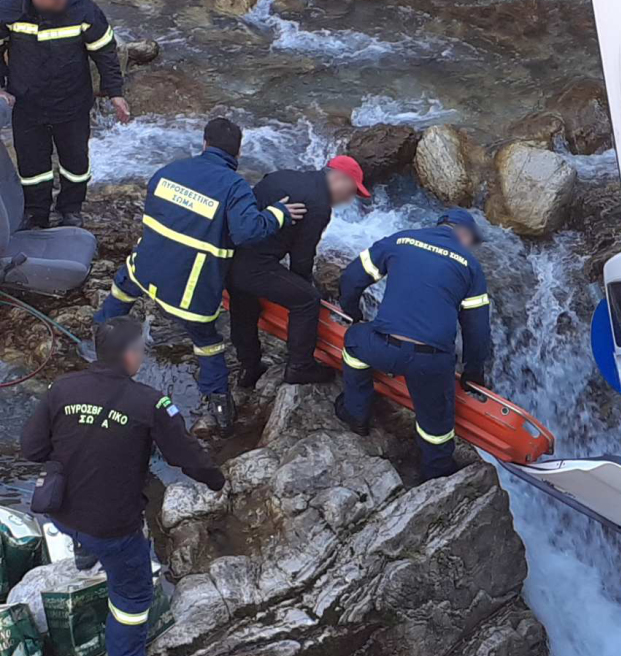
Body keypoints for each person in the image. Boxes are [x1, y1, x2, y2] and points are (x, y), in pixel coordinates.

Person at [20, 316, 225, 656]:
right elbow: (185, 455)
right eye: (141, 350)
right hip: (112, 527)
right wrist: (216, 480)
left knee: (86, 524)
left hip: (60, 512)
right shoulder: (150, 403)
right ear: (129, 355)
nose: (143, 356)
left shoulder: (63, 388)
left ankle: (85, 555)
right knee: (132, 597)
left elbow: (33, 449)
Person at [93, 118, 306, 434]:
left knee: (121, 291)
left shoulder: (168, 171)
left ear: (204, 143)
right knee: (207, 342)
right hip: (187, 289)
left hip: (145, 266)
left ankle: (98, 341)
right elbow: (248, 232)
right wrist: (278, 214)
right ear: (238, 153)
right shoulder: (234, 187)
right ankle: (219, 403)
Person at [334, 209, 492, 481]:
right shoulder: (469, 266)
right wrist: (473, 372)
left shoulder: (401, 240)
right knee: (437, 422)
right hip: (429, 362)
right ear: (463, 233)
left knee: (354, 343)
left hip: (382, 347)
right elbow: (477, 329)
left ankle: (356, 413)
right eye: (472, 241)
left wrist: (353, 314)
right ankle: (436, 471)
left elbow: (351, 277)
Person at [228, 155, 371, 389]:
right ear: (338, 177)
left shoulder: (284, 175)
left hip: (229, 255)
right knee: (306, 300)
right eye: (352, 191)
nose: (349, 199)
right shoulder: (319, 205)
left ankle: (249, 367)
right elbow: (301, 259)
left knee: (244, 303)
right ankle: (300, 366)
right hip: (252, 267)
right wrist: (304, 287)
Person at [0, 0, 130, 230]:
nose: (63, 2)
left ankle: (70, 209)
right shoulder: (10, 10)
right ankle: (35, 212)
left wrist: (115, 93)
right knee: (32, 166)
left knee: (76, 162)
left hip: (72, 103)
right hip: (27, 104)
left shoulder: (84, 10)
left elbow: (105, 52)